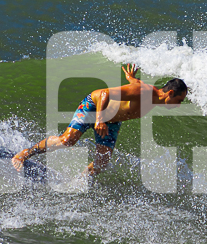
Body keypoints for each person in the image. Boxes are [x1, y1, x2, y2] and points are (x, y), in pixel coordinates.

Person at [12, 63, 188, 176]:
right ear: (170, 93)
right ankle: (23, 155)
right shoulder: (145, 92)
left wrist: (131, 78)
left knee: (102, 162)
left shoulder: (151, 96)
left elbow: (134, 85)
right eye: (179, 100)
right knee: (67, 140)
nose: (179, 105)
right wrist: (100, 120)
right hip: (95, 107)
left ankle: (79, 180)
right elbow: (104, 93)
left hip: (111, 120)